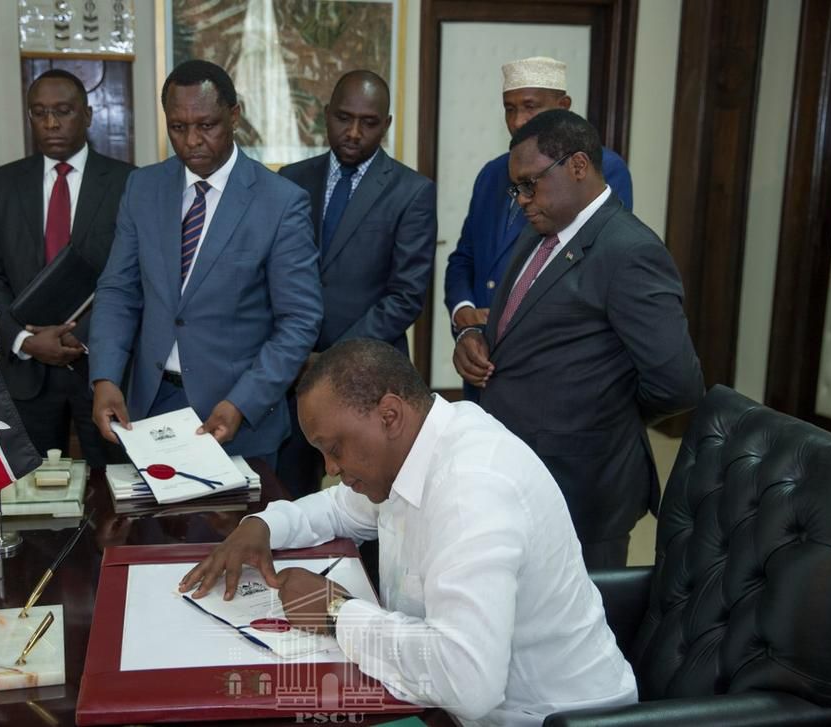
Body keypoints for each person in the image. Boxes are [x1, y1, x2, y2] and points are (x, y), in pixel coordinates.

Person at [180, 339, 637, 726]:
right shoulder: (416, 446)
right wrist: (260, 525)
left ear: (390, 415)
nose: (332, 469)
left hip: (545, 717)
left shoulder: (472, 490)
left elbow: (469, 681)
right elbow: (339, 508)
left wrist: (336, 613)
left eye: (335, 448)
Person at [454, 109, 704, 568]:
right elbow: (518, 328)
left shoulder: (630, 251)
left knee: (579, 631)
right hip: (515, 469)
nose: (522, 199)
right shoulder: (542, 231)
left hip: (584, 486)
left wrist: (604, 410)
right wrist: (472, 334)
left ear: (578, 166)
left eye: (531, 183)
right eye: (517, 188)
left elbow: (678, 383)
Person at [89, 60, 322, 464]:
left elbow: (299, 320)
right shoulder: (143, 188)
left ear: (234, 116)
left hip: (237, 416)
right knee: (151, 529)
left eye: (207, 125)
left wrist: (243, 401)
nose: (192, 141)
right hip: (150, 407)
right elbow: (118, 291)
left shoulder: (280, 202)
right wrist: (105, 377)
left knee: (233, 529)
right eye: (178, 127)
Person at [276, 70, 436, 496]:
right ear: (325, 116)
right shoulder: (290, 179)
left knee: (367, 502)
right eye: (343, 118)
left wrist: (332, 360)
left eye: (368, 123)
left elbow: (405, 296)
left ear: (386, 124)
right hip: (290, 370)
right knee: (292, 492)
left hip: (367, 377)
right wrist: (289, 350)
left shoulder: (411, 191)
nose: (353, 132)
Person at [444, 56, 633, 401]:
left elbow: (589, 270)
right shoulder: (490, 173)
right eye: (509, 108)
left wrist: (506, 313)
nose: (518, 121)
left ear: (563, 107)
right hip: (481, 361)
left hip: (547, 372)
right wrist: (465, 315)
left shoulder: (599, 170)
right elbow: (464, 257)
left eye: (530, 107)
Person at [0, 69, 134, 469]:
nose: (51, 123)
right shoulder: (2, 184)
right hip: (27, 369)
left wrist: (78, 337)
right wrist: (24, 340)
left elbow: (135, 275)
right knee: (32, 493)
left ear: (88, 115)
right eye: (39, 112)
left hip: (102, 369)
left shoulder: (128, 182)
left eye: (63, 111)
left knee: (113, 488)